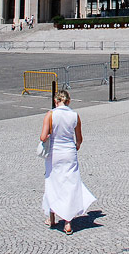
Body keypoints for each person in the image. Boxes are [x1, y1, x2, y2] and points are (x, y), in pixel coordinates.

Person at [40, 89, 96, 235]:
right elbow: (79, 139)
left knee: (53, 182)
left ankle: (52, 217)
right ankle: (68, 222)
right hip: (69, 153)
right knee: (70, 184)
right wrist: (76, 146)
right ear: (68, 101)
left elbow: (43, 136)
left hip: (55, 153)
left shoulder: (50, 114)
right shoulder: (74, 115)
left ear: (55, 101)